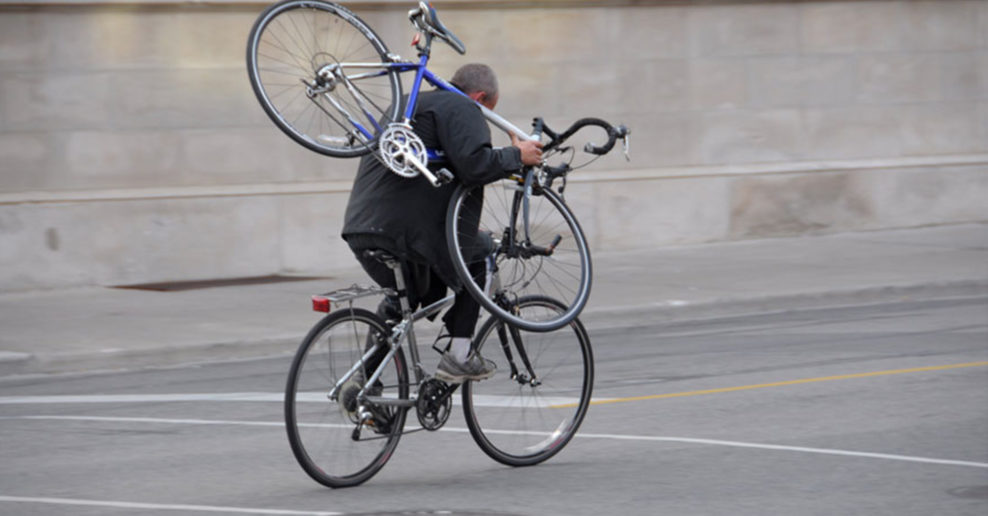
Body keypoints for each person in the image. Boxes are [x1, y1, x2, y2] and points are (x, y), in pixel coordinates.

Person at [342, 63, 543, 383]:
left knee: (402, 302)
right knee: (484, 254)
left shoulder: (406, 104)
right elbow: (475, 165)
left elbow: (433, 173)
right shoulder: (462, 106)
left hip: (361, 227)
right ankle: (459, 357)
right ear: (480, 97)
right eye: (490, 109)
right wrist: (517, 156)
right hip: (407, 231)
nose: (486, 116)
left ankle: (362, 385)